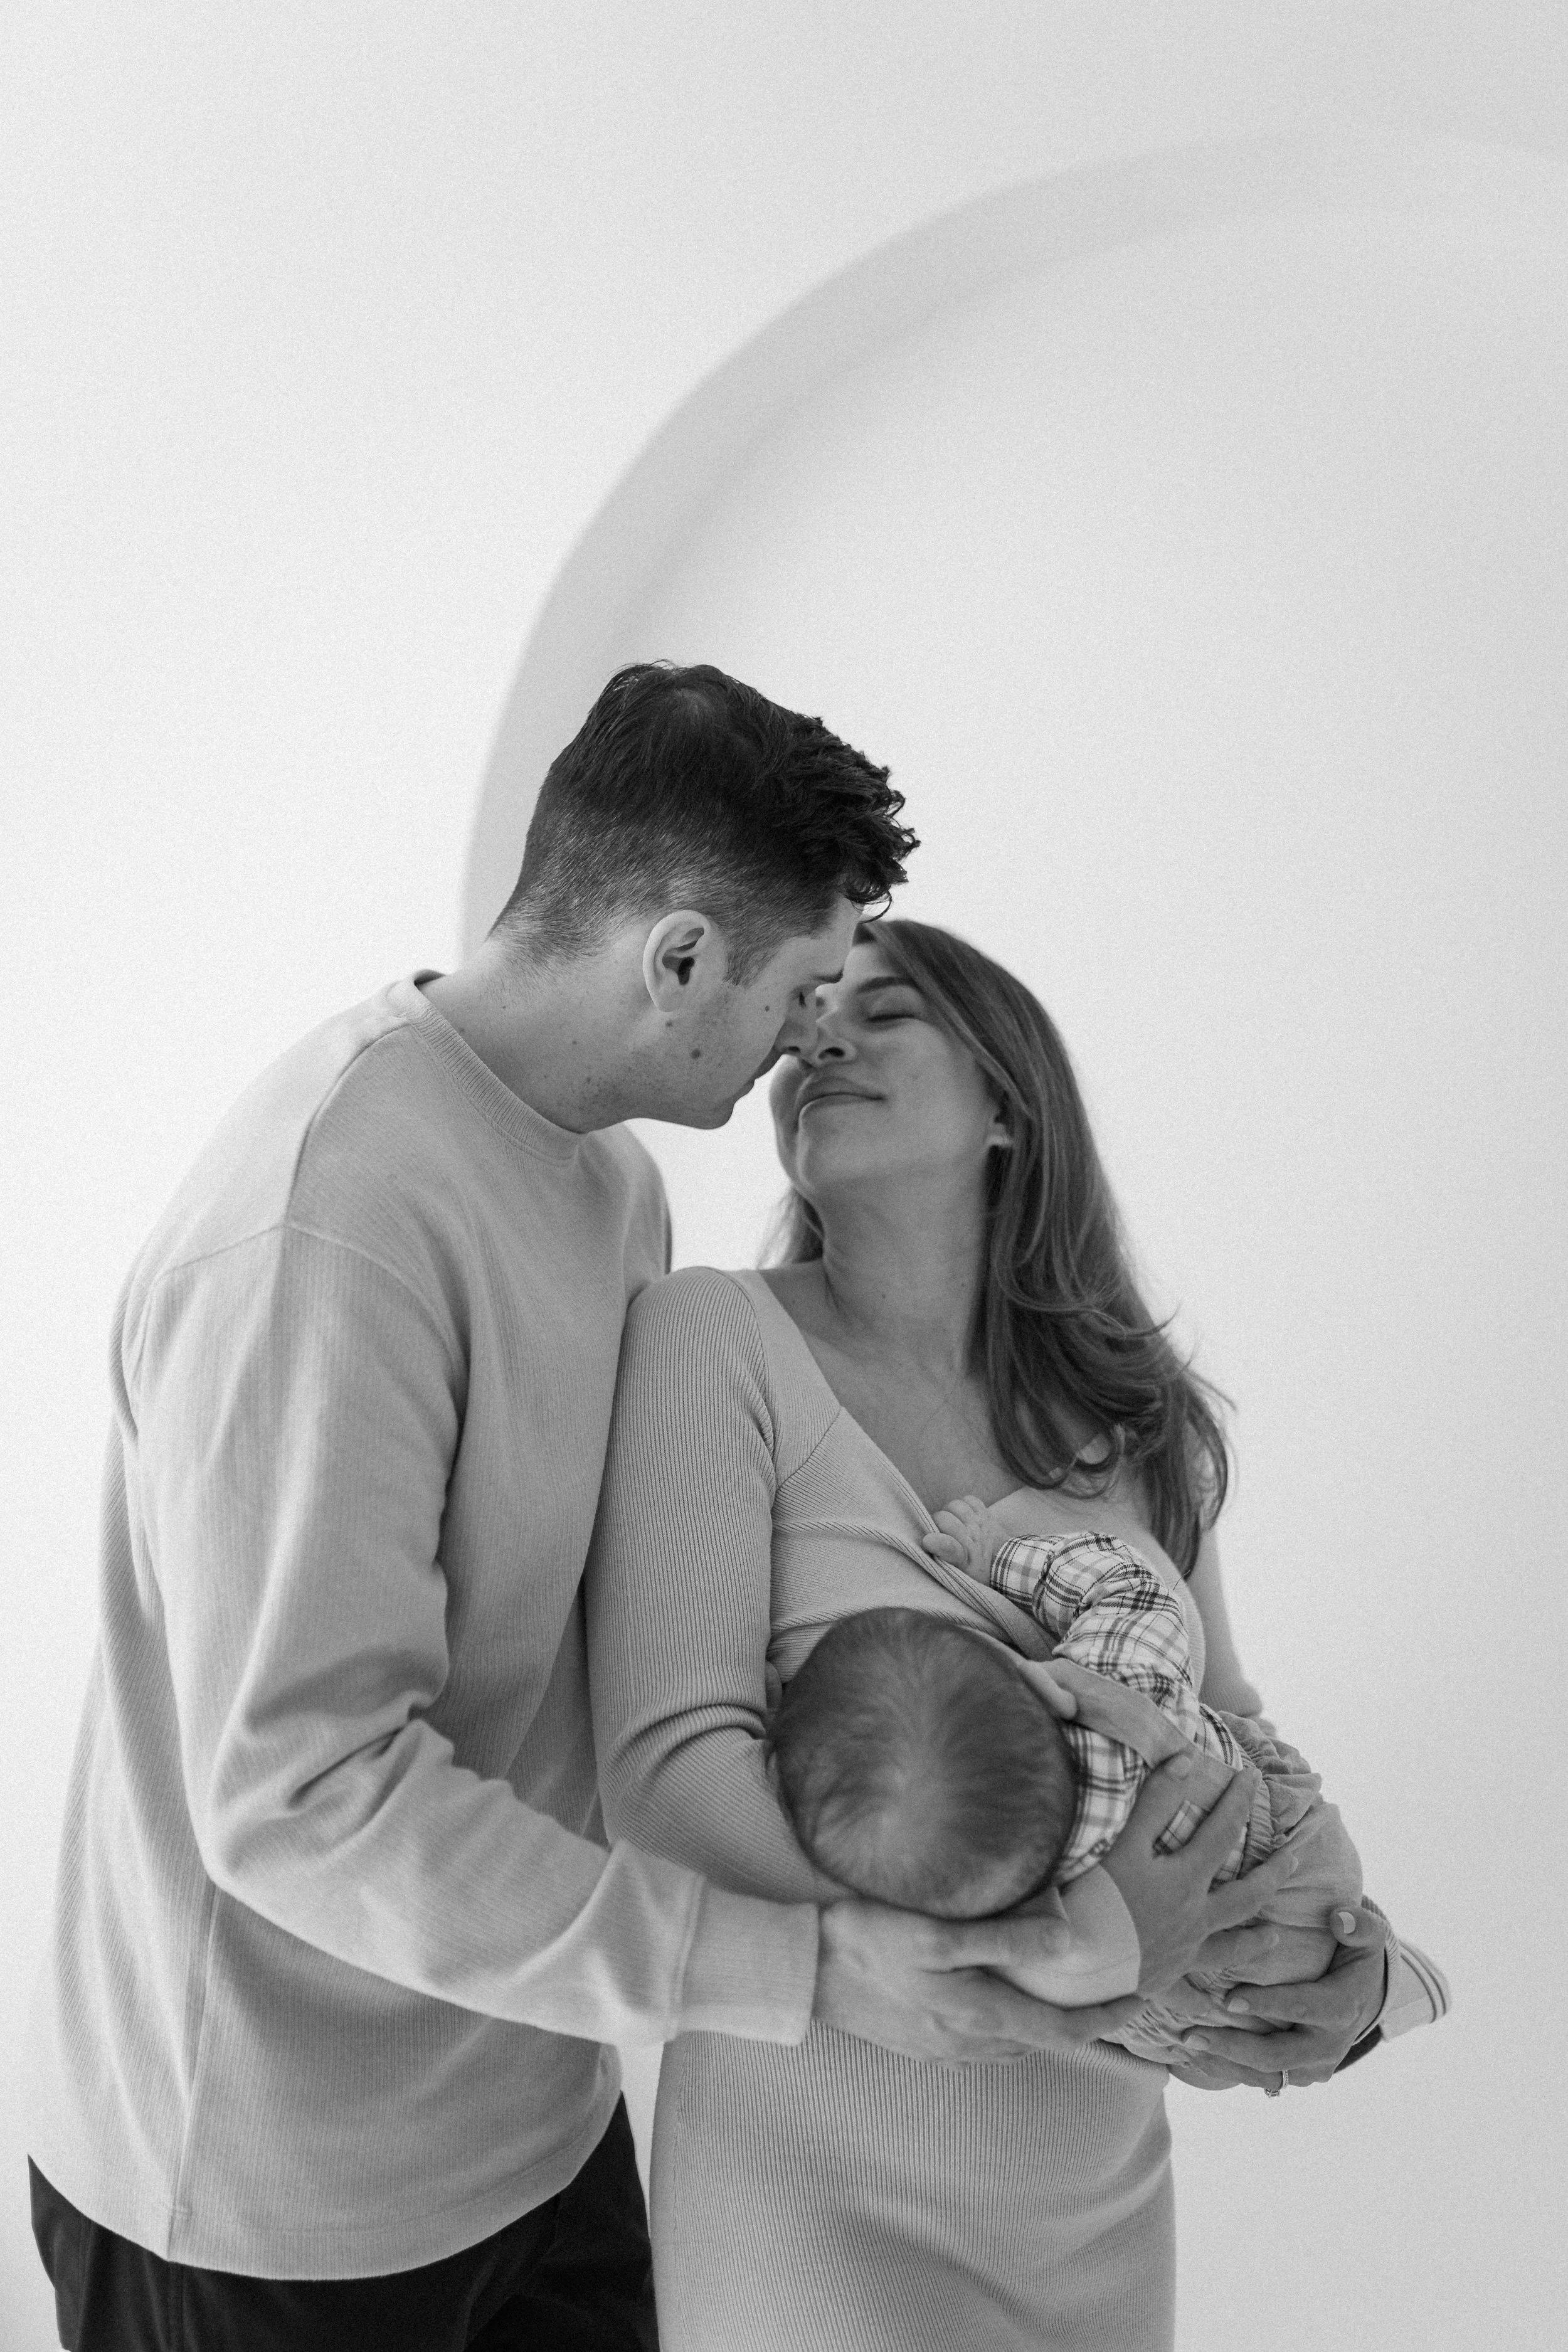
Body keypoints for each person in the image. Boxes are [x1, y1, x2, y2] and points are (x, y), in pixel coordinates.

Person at [28, 664, 1238, 2352]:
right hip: (271, 2192)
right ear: (677, 957)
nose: (816, 1038)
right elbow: (303, 1796)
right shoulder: (327, 1230)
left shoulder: (610, 1186)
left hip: (533, 2117)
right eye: (806, 986)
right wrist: (811, 1964)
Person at [587, 914, 1438, 2352]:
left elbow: (1220, 1723)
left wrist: (1358, 1982)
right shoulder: (709, 1341)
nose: (821, 1045)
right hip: (812, 2173)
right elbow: (669, 1778)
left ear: (1006, 1105)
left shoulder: (1134, 1414)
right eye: (809, 1024)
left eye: (890, 1012)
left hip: (1091, 2188)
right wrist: (1052, 1948)